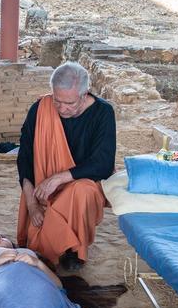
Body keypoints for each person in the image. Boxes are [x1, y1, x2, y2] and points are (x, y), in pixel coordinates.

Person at [16, 62, 116, 272]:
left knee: (82, 190)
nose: (61, 108)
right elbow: (24, 159)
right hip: (41, 190)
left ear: (84, 94)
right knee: (38, 235)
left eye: (69, 103)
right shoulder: (40, 109)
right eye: (57, 101)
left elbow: (103, 164)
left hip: (81, 187)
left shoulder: (103, 113)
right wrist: (32, 204)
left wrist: (59, 178)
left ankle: (73, 251)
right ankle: (49, 244)